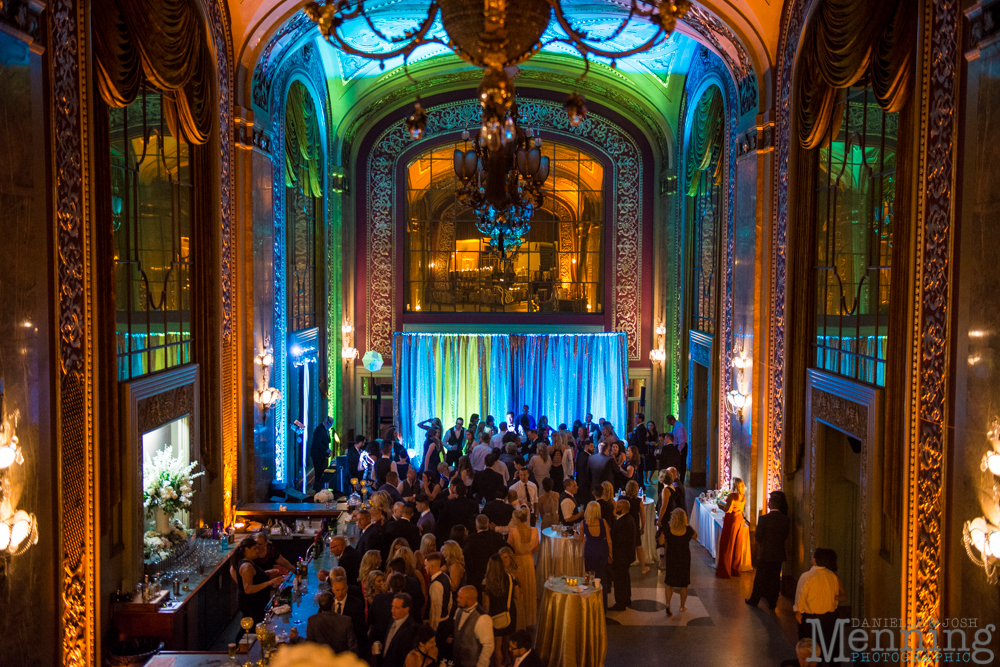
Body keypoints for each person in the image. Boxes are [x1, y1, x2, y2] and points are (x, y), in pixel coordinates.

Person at [234, 537, 284, 641]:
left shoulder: (248, 562)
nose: (258, 551)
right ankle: (241, 649)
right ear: (247, 550)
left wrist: (267, 572)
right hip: (252, 604)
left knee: (250, 627)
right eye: (255, 549)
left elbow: (254, 577)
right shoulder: (247, 566)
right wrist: (269, 582)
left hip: (255, 603)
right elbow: (248, 589)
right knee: (250, 629)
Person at [746, 492, 791, 609]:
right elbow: (785, 536)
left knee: (760, 577)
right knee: (775, 578)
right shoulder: (785, 520)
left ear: (770, 504)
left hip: (765, 553)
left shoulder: (764, 519)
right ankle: (772, 602)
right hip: (778, 553)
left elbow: (758, 536)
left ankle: (754, 599)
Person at [793, 548, 842, 641]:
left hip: (810, 618)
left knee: (809, 647)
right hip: (828, 618)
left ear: (814, 559)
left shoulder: (806, 576)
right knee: (826, 646)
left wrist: (798, 612)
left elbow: (800, 596)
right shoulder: (832, 576)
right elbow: (835, 597)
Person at [660, 507, 696, 616]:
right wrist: (688, 525)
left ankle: (667, 604)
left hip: (671, 557)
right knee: (683, 584)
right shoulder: (687, 529)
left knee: (669, 582)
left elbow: (661, 540)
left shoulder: (668, 528)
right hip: (684, 557)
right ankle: (681, 606)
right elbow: (695, 536)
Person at [482, 553, 516, 667]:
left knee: (497, 646)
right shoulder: (510, 578)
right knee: (509, 642)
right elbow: (516, 595)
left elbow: (486, 605)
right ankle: (511, 662)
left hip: (496, 615)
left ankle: (499, 665)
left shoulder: (486, 582)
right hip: (509, 613)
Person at [506, 509, 538, 629]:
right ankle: (529, 619)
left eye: (513, 518)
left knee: (519, 589)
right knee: (529, 588)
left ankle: (520, 619)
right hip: (529, 561)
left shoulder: (513, 532)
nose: (512, 520)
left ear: (518, 519)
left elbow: (510, 549)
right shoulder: (534, 531)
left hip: (517, 562)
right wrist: (527, 553)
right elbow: (536, 548)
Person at [578, 501, 612, 609]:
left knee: (590, 577)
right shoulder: (603, 522)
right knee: (602, 577)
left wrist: (575, 535)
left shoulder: (584, 523)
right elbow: (609, 540)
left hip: (590, 550)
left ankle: (591, 603)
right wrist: (610, 554)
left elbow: (581, 539)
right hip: (602, 550)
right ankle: (603, 604)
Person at [452, 585, 495, 667]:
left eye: (461, 598)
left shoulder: (482, 619)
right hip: (458, 662)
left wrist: (481, 665)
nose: (457, 599)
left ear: (470, 601)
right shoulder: (458, 611)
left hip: (473, 664)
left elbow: (488, 646)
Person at [306, 589, 359, 654]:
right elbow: (353, 648)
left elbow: (310, 646)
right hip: (341, 661)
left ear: (319, 605)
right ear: (333, 604)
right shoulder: (346, 621)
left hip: (321, 661)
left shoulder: (312, 621)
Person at [715, 477, 748, 578]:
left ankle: (725, 571)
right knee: (737, 546)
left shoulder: (732, 496)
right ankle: (735, 570)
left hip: (731, 521)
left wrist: (720, 506)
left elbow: (728, 510)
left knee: (727, 545)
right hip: (740, 520)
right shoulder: (743, 497)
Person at [609, 499, 637, 611]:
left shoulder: (624, 522)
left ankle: (620, 603)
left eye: (617, 507)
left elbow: (619, 539)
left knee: (619, 579)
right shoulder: (627, 519)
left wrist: (610, 534)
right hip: (626, 555)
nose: (615, 509)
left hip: (621, 556)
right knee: (625, 577)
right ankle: (626, 598)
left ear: (623, 508)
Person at [381, 593, 419, 667]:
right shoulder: (392, 620)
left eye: (397, 608)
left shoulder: (411, 629)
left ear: (406, 609)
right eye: (392, 606)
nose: (392, 610)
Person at [370, 572, 405, 648]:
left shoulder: (378, 598)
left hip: (380, 638)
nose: (382, 583)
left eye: (384, 580)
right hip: (396, 641)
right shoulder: (405, 600)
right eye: (379, 581)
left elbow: (371, 619)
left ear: (390, 584)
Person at [624, 480, 649, 574]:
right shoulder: (638, 501)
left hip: (624, 525)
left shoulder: (622, 498)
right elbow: (642, 516)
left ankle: (625, 565)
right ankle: (643, 567)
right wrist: (643, 526)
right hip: (634, 526)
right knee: (639, 546)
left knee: (625, 546)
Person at [424, 551, 452, 630]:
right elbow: (450, 601)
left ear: (431, 566)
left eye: (426, 565)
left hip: (439, 625)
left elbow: (435, 609)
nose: (425, 568)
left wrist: (433, 629)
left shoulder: (435, 584)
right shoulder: (446, 577)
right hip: (445, 620)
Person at [311, 416, 334, 492]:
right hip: (317, 454)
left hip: (321, 454)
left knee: (320, 471)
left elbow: (327, 440)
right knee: (318, 471)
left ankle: (318, 487)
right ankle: (317, 488)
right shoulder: (319, 429)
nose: (331, 426)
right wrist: (326, 450)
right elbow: (317, 443)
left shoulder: (325, 430)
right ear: (327, 422)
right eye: (331, 424)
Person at [666, 415, 688, 482]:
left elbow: (681, 440)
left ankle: (681, 481)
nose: (668, 423)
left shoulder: (679, 427)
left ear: (672, 420)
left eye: (668, 422)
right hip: (678, 446)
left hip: (681, 447)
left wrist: (679, 450)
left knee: (681, 464)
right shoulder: (676, 425)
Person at [575, 439, 594, 503]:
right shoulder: (588, 457)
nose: (593, 448)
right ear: (586, 447)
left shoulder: (580, 455)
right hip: (586, 483)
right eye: (591, 446)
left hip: (580, 481)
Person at [644, 420, 660, 484]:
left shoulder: (655, 432)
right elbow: (644, 442)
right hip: (647, 450)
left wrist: (656, 444)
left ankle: (650, 478)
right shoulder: (646, 432)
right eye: (649, 425)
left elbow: (656, 440)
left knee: (653, 465)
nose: (650, 427)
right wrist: (650, 443)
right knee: (646, 466)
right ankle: (645, 480)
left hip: (653, 450)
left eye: (651, 425)